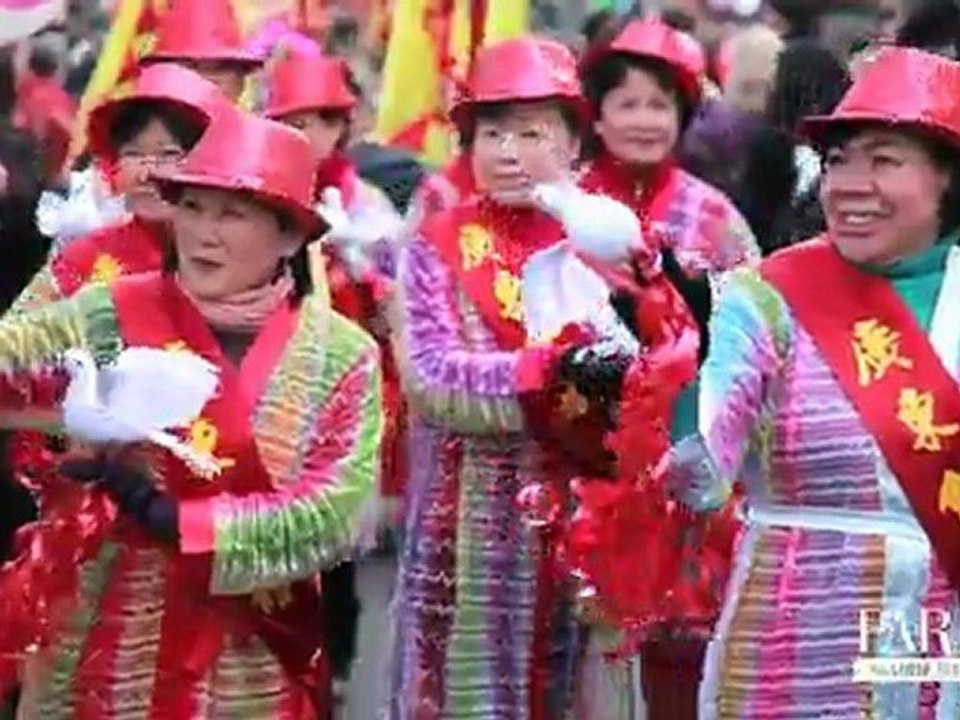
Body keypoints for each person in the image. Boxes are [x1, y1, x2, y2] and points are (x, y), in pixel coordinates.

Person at [0, 106, 382, 719]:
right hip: (102, 640)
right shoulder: (108, 313)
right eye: (193, 208)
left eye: (232, 213)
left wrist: (183, 520)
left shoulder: (340, 356)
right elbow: (13, 360)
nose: (205, 232)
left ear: (288, 235)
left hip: (248, 657)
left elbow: (329, 516)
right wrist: (61, 443)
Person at [667, 46, 960, 718]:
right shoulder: (765, 297)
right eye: (838, 162)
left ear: (948, 178)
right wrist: (684, 361)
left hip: (934, 635)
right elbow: (701, 478)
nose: (850, 184)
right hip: (793, 634)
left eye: (884, 160)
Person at [387, 35, 646, 719]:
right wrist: (558, 370)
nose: (505, 151)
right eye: (491, 132)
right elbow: (433, 379)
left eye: (530, 133)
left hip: (586, 528)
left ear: (573, 145)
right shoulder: (434, 245)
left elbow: (657, 368)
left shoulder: (610, 242)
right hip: (464, 532)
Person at [576, 16, 760, 719]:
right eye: (628, 103)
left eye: (661, 104)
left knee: (676, 652)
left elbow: (752, 335)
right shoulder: (564, 205)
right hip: (577, 460)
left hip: (684, 461)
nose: (645, 121)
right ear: (597, 114)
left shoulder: (713, 215)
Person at [262, 42, 402, 700]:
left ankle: (338, 662)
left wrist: (362, 269)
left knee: (338, 543)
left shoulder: (368, 206)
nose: (305, 135)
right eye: (290, 121)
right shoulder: (253, 190)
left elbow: (399, 305)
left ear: (341, 127)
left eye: (318, 121)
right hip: (267, 388)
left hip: (346, 390)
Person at [10, 64, 226, 312]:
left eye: (168, 155)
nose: (146, 174)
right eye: (133, 154)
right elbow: (15, 335)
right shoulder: (86, 255)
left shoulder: (243, 263)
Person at [142, 0, 263, 103]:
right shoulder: (137, 128)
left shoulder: (264, 131)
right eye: (190, 67)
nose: (204, 81)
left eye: (219, 68)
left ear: (241, 82)